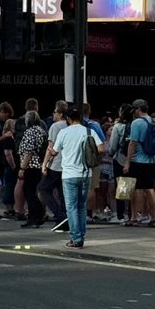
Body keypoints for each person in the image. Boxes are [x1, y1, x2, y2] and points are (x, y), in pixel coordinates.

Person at [45, 106, 91, 249]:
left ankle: (76, 238)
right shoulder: (88, 131)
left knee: (71, 207)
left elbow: (54, 151)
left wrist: (49, 152)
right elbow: (101, 148)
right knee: (81, 206)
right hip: (86, 173)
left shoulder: (64, 132)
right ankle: (81, 235)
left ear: (68, 119)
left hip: (69, 174)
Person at [126, 98, 155, 226]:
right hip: (152, 160)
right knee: (150, 188)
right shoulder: (152, 121)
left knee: (136, 189)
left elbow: (132, 143)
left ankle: (134, 217)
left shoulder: (136, 123)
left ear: (138, 109)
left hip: (138, 160)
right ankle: (154, 217)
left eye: (134, 109)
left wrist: (128, 163)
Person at [17, 110, 48, 229]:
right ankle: (38, 215)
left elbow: (28, 152)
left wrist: (22, 168)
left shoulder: (30, 132)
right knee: (33, 191)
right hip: (39, 164)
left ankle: (34, 217)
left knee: (29, 192)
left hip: (31, 165)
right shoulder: (41, 131)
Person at [40, 101, 68, 229]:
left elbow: (50, 147)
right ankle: (65, 218)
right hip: (67, 164)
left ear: (60, 114)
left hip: (56, 163)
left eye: (55, 112)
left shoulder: (55, 126)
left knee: (43, 189)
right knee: (62, 193)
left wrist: (45, 164)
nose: (53, 114)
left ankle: (59, 215)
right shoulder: (70, 125)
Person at [108, 104, 133, 222]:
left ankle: (120, 215)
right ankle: (131, 213)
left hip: (120, 159)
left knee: (121, 187)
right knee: (130, 186)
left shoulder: (118, 127)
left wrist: (111, 153)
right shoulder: (134, 125)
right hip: (133, 159)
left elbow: (113, 146)